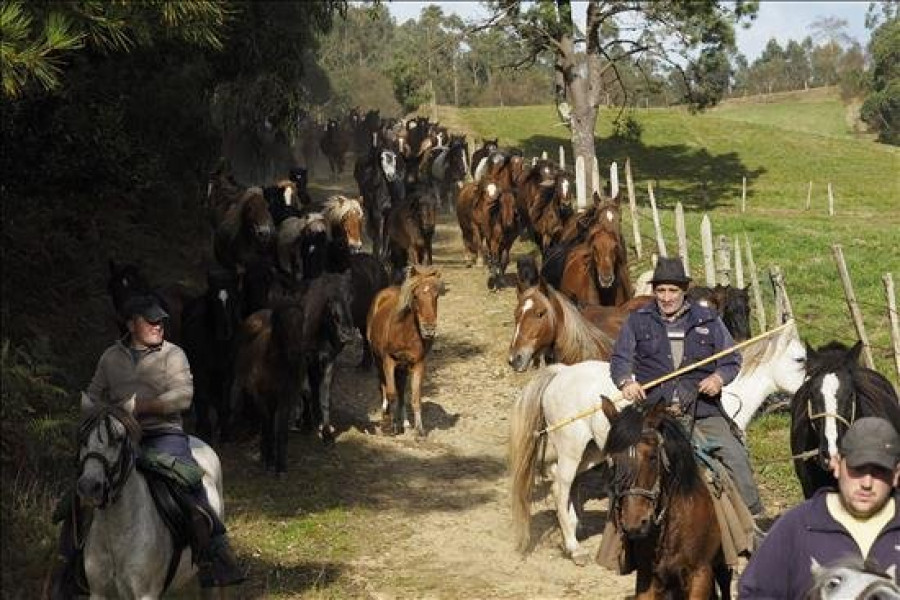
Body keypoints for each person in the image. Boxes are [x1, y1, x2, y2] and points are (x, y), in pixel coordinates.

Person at [50, 295, 244, 598]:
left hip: (163, 435)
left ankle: (213, 558)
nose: (158, 325)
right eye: (150, 320)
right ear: (131, 324)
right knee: (79, 494)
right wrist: (104, 411)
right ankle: (68, 569)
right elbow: (93, 394)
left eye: (160, 320)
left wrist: (141, 407)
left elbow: (183, 396)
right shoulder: (110, 358)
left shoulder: (173, 355)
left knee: (190, 490)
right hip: (118, 435)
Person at [610, 256, 764, 519]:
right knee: (629, 464)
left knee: (735, 455)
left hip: (702, 412)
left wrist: (718, 379)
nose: (666, 297)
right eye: (661, 290)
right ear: (654, 291)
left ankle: (754, 523)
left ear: (684, 291)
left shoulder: (708, 320)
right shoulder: (637, 321)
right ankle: (621, 536)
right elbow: (620, 360)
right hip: (653, 416)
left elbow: (731, 360)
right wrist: (626, 382)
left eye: (673, 291)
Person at [739, 417, 900, 598]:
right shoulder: (796, 526)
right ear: (837, 464)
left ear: (896, 474)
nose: (867, 483)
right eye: (858, 469)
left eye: (879, 471)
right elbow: (756, 593)